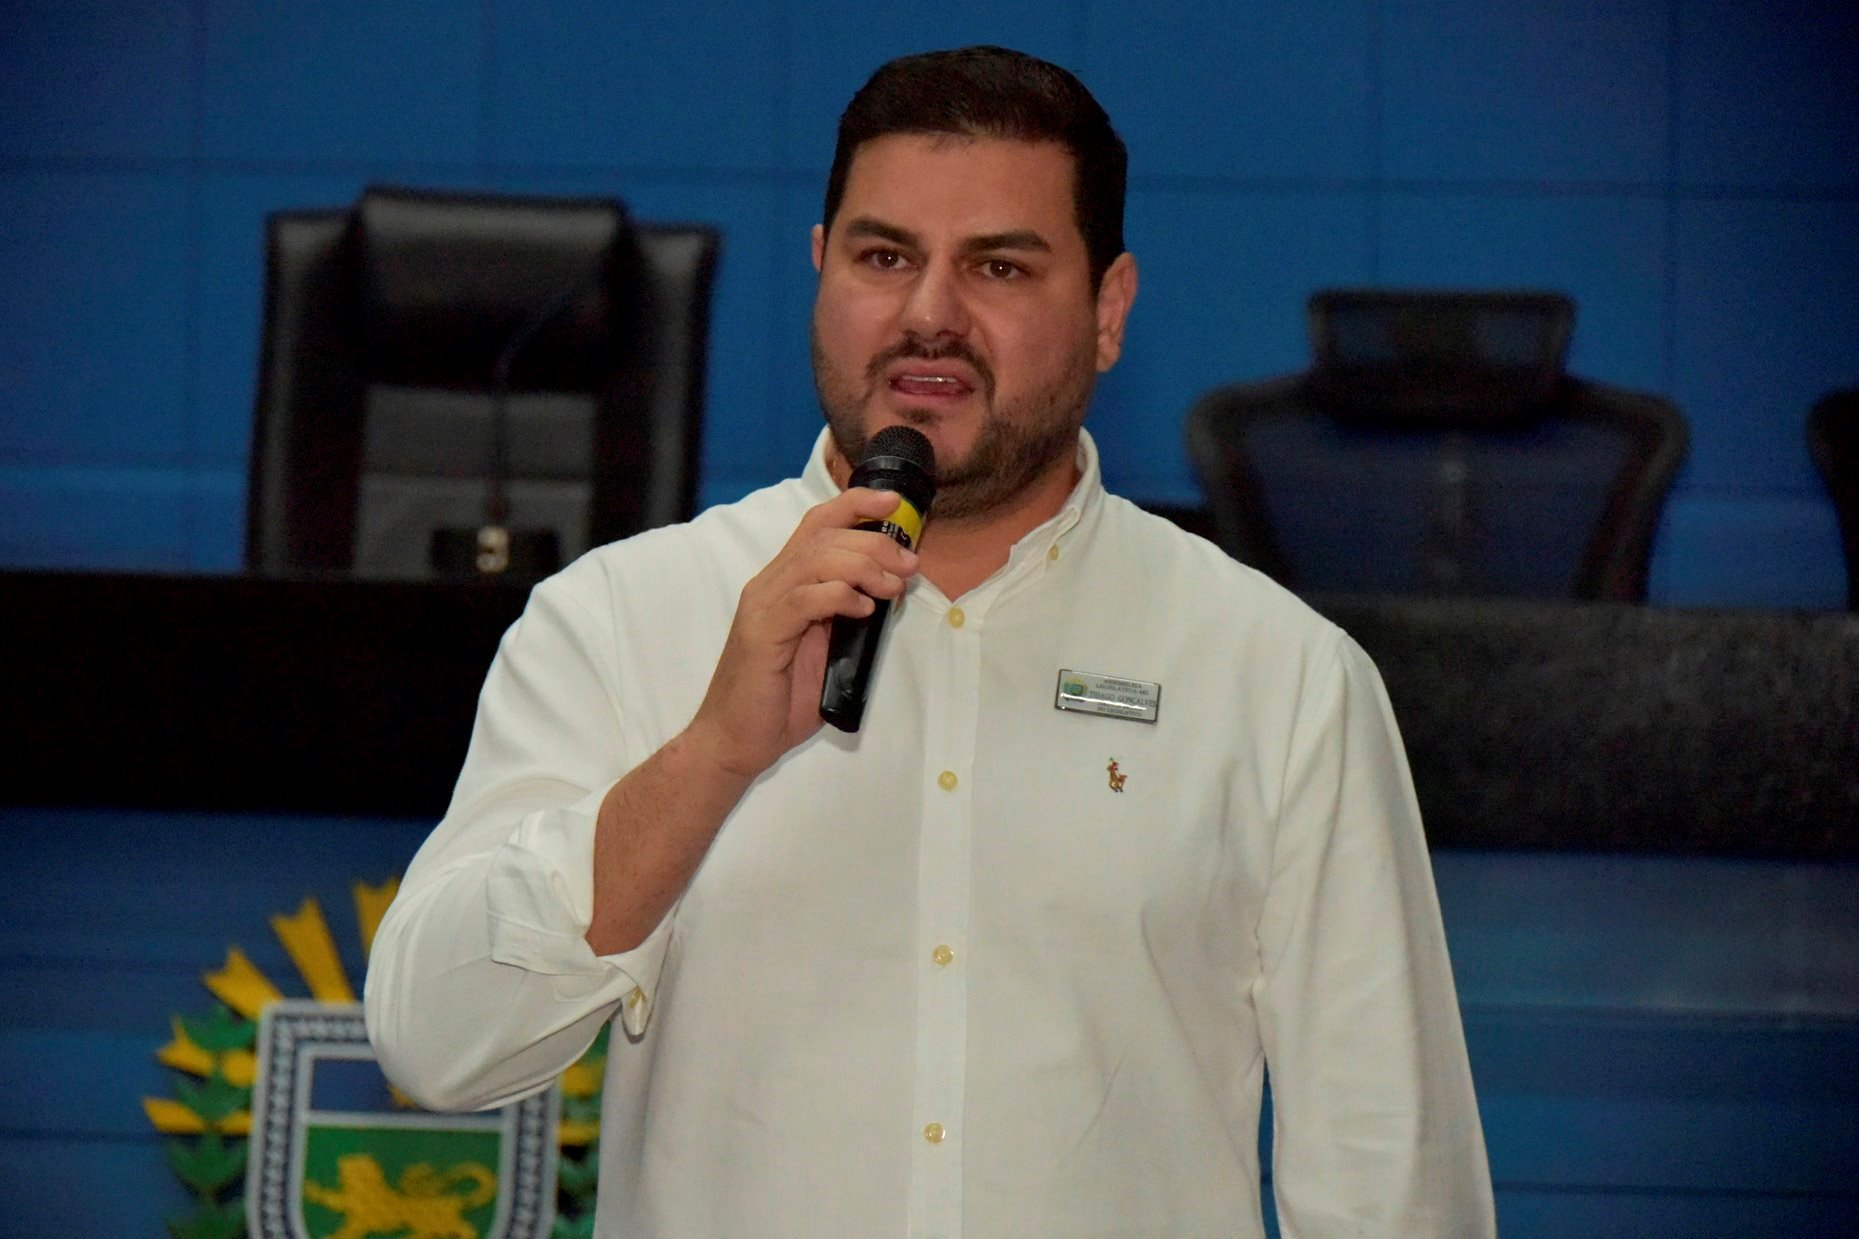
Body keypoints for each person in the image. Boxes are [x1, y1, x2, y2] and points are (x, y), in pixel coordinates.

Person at [365, 45, 1495, 1237]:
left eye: (998, 266)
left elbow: (1389, 1177)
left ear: (1108, 311)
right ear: (820, 269)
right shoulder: (619, 618)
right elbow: (438, 1049)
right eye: (883, 257)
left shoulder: (1278, 674)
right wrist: (707, 758)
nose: (927, 317)